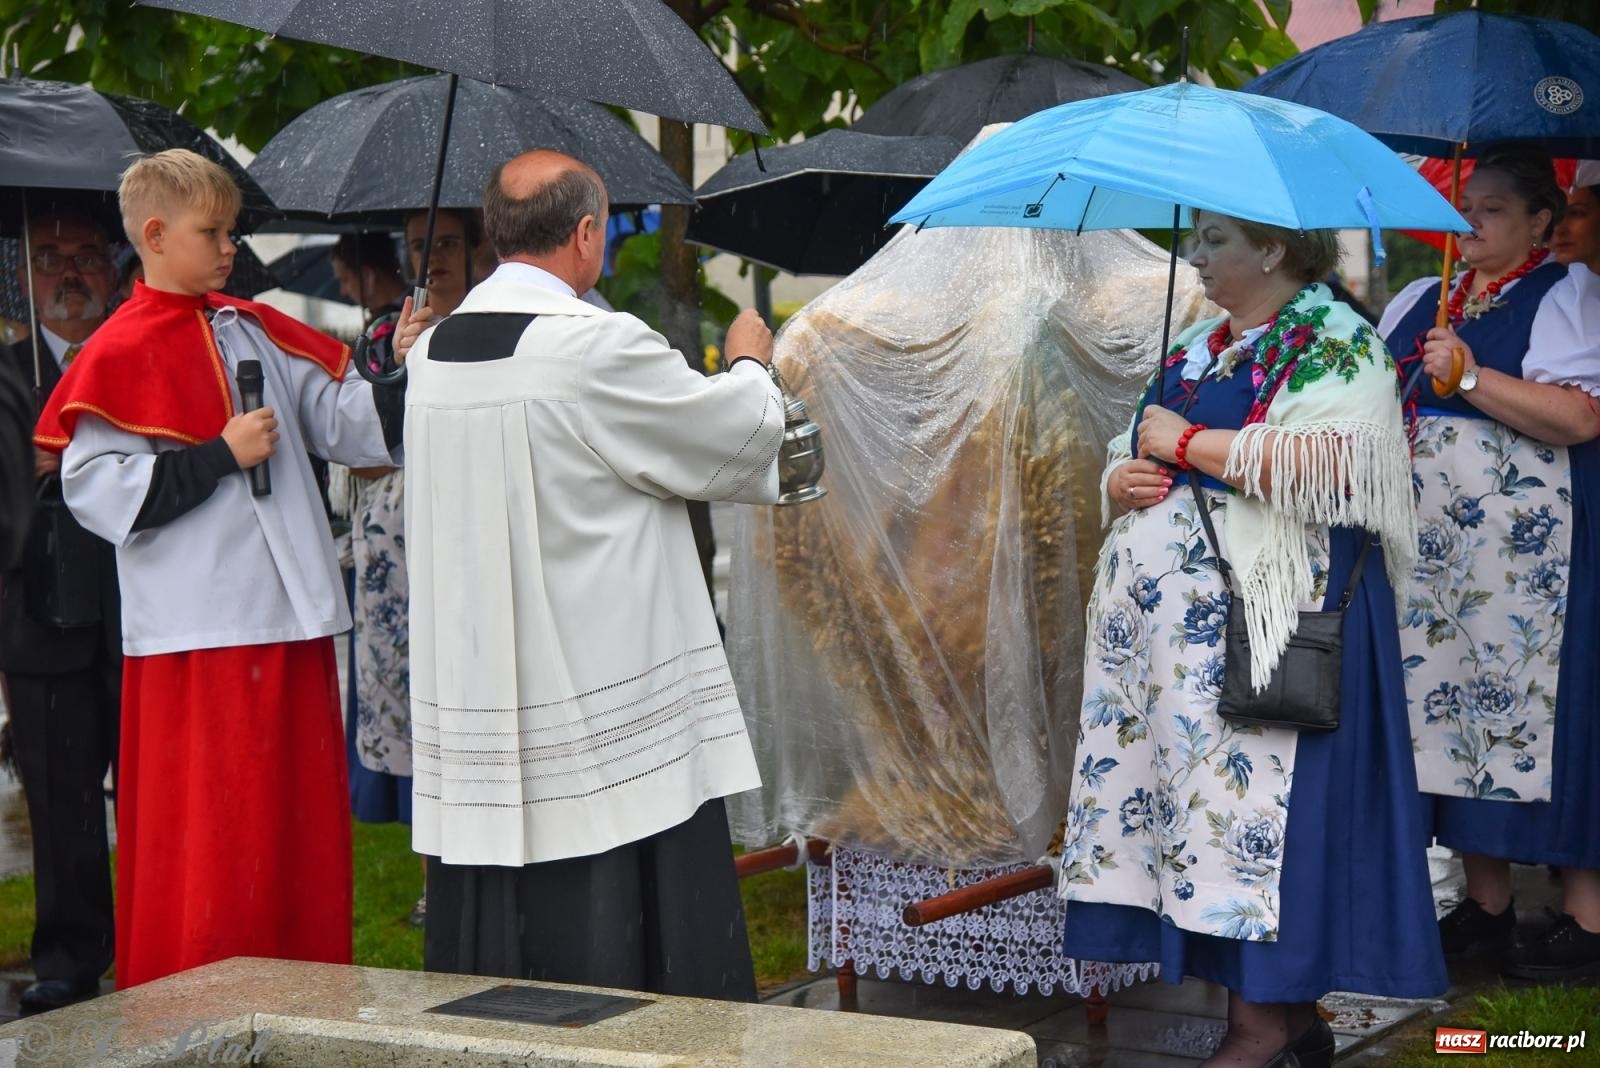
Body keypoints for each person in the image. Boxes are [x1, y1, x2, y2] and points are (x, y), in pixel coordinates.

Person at [1059, 211, 1442, 1068]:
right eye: (1196, 238)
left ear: (1272, 250)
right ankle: (1287, 1027)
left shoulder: (1339, 343)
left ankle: (1265, 1028)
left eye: (1214, 239)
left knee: (1268, 829)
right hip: (1177, 665)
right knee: (1208, 832)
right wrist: (1121, 475)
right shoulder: (1198, 346)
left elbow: (1343, 466)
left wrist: (1190, 442)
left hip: (1274, 634)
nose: (1194, 255)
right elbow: (1135, 444)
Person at [404, 149, 782, 999]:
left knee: (501, 965)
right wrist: (751, 362)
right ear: (586, 235)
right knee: (628, 961)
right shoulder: (594, 347)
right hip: (597, 696)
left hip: (480, 702)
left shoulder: (431, 358)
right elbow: (733, 440)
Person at [33, 148, 404, 987]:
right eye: (213, 232)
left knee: (292, 828)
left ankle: (304, 994)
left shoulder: (253, 326)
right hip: (197, 632)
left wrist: (400, 375)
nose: (230, 247)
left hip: (294, 616)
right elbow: (102, 493)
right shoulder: (115, 350)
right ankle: (199, 1000)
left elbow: (342, 423)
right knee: (215, 832)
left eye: (232, 231)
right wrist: (218, 457)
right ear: (156, 236)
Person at [1379, 145, 1600, 979]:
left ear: (1541, 222)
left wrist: (1469, 374)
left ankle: (1587, 921)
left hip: (1531, 558)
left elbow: (1580, 418)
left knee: (1546, 719)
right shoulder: (1417, 296)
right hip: (1435, 561)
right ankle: (1488, 907)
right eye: (1467, 204)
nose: (1469, 221)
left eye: (1494, 208)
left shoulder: (1569, 296)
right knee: (1453, 718)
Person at [0, 211, 122, 1012]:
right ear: (25, 275)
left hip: (143, 606)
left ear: (113, 270)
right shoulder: (7, 371)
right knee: (61, 797)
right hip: (39, 613)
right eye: (50, 259)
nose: (69, 274)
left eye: (84, 258)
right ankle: (71, 959)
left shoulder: (137, 357)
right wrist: (30, 465)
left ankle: (172, 945)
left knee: (158, 792)